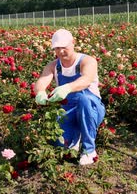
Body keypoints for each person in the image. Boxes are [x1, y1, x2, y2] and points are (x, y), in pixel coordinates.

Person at [34, 28, 106, 165]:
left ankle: (89, 150)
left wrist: (68, 87)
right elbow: (42, 80)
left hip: (91, 109)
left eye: (64, 47)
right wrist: (40, 92)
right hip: (68, 111)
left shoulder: (87, 61)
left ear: (73, 43)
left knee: (84, 99)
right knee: (61, 145)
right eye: (57, 48)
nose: (61, 51)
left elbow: (86, 79)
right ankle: (75, 138)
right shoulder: (54, 66)